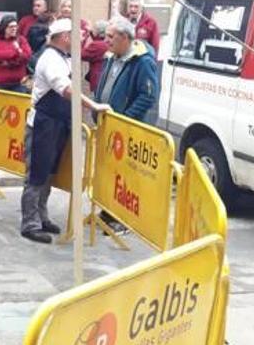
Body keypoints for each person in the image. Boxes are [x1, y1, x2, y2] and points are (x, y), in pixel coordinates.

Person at [21, 18, 110, 244]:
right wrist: (93, 106)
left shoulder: (64, 57)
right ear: (64, 37)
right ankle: (29, 223)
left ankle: (42, 216)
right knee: (36, 174)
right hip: (43, 124)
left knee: (49, 173)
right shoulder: (51, 59)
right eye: (76, 34)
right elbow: (67, 89)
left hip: (57, 123)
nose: (80, 38)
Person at [94, 16, 160, 235]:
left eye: (111, 37)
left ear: (124, 37)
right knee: (111, 171)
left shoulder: (143, 61)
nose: (106, 40)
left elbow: (148, 95)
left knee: (126, 175)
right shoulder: (113, 57)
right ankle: (107, 211)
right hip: (110, 127)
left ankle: (123, 220)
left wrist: (125, 119)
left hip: (126, 129)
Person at [0, 16, 31, 93]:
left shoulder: (21, 40)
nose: (14, 29)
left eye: (15, 26)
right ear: (4, 28)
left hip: (18, 83)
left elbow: (27, 55)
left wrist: (9, 61)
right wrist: (16, 52)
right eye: (11, 27)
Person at [82, 19, 110, 93]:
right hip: (103, 78)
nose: (92, 29)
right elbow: (95, 37)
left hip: (97, 79)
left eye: (94, 28)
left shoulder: (98, 45)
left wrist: (83, 39)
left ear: (98, 31)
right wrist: (90, 32)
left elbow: (81, 54)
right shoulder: (105, 42)